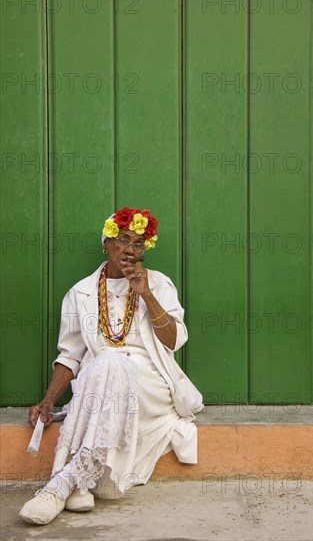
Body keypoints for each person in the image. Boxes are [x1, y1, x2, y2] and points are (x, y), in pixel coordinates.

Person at [19, 206, 203, 525]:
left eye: (138, 244)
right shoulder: (81, 293)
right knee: (106, 363)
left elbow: (174, 340)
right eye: (123, 240)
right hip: (98, 382)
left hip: (149, 386)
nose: (130, 250)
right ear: (106, 243)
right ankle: (78, 484)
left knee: (111, 362)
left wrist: (146, 295)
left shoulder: (158, 284)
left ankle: (58, 484)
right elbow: (70, 357)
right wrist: (48, 400)